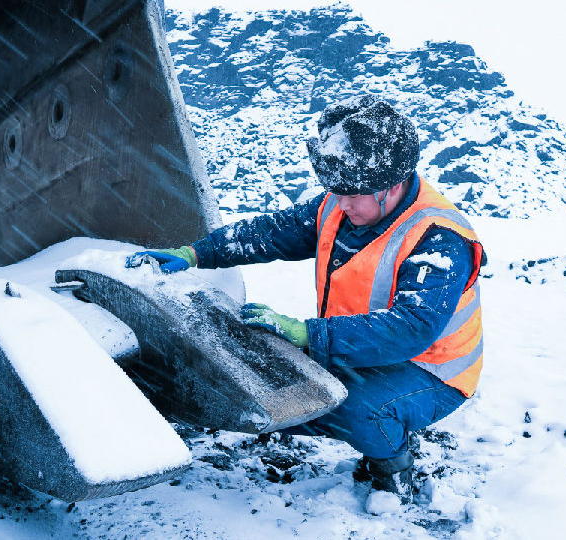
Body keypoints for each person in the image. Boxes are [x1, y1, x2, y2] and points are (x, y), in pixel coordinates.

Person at [129, 95, 485, 503]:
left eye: (353, 194)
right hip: (357, 346)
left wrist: (306, 333)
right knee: (281, 396)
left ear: (391, 186)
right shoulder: (342, 204)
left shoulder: (438, 239)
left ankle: (394, 469)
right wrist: (196, 253)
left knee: (354, 409)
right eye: (336, 191)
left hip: (432, 372)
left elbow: (412, 330)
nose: (342, 203)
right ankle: (370, 423)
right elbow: (274, 231)